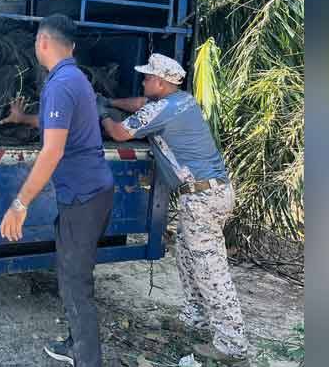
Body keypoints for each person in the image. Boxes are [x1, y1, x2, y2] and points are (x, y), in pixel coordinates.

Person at [98, 53, 248, 365]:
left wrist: (101, 113)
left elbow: (120, 133)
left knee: (211, 270)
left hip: (202, 198)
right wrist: (112, 100)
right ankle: (195, 320)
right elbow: (140, 103)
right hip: (212, 193)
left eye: (148, 77)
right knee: (187, 257)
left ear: (161, 83)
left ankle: (232, 345)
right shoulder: (182, 101)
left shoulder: (163, 109)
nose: (143, 79)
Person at [0, 14, 115, 367]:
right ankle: (75, 342)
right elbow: (58, 122)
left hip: (83, 197)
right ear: (72, 46)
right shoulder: (72, 77)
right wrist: (23, 120)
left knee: (75, 282)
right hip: (92, 192)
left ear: (42, 43)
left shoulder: (60, 83)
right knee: (73, 274)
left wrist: (20, 203)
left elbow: (53, 150)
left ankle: (86, 359)